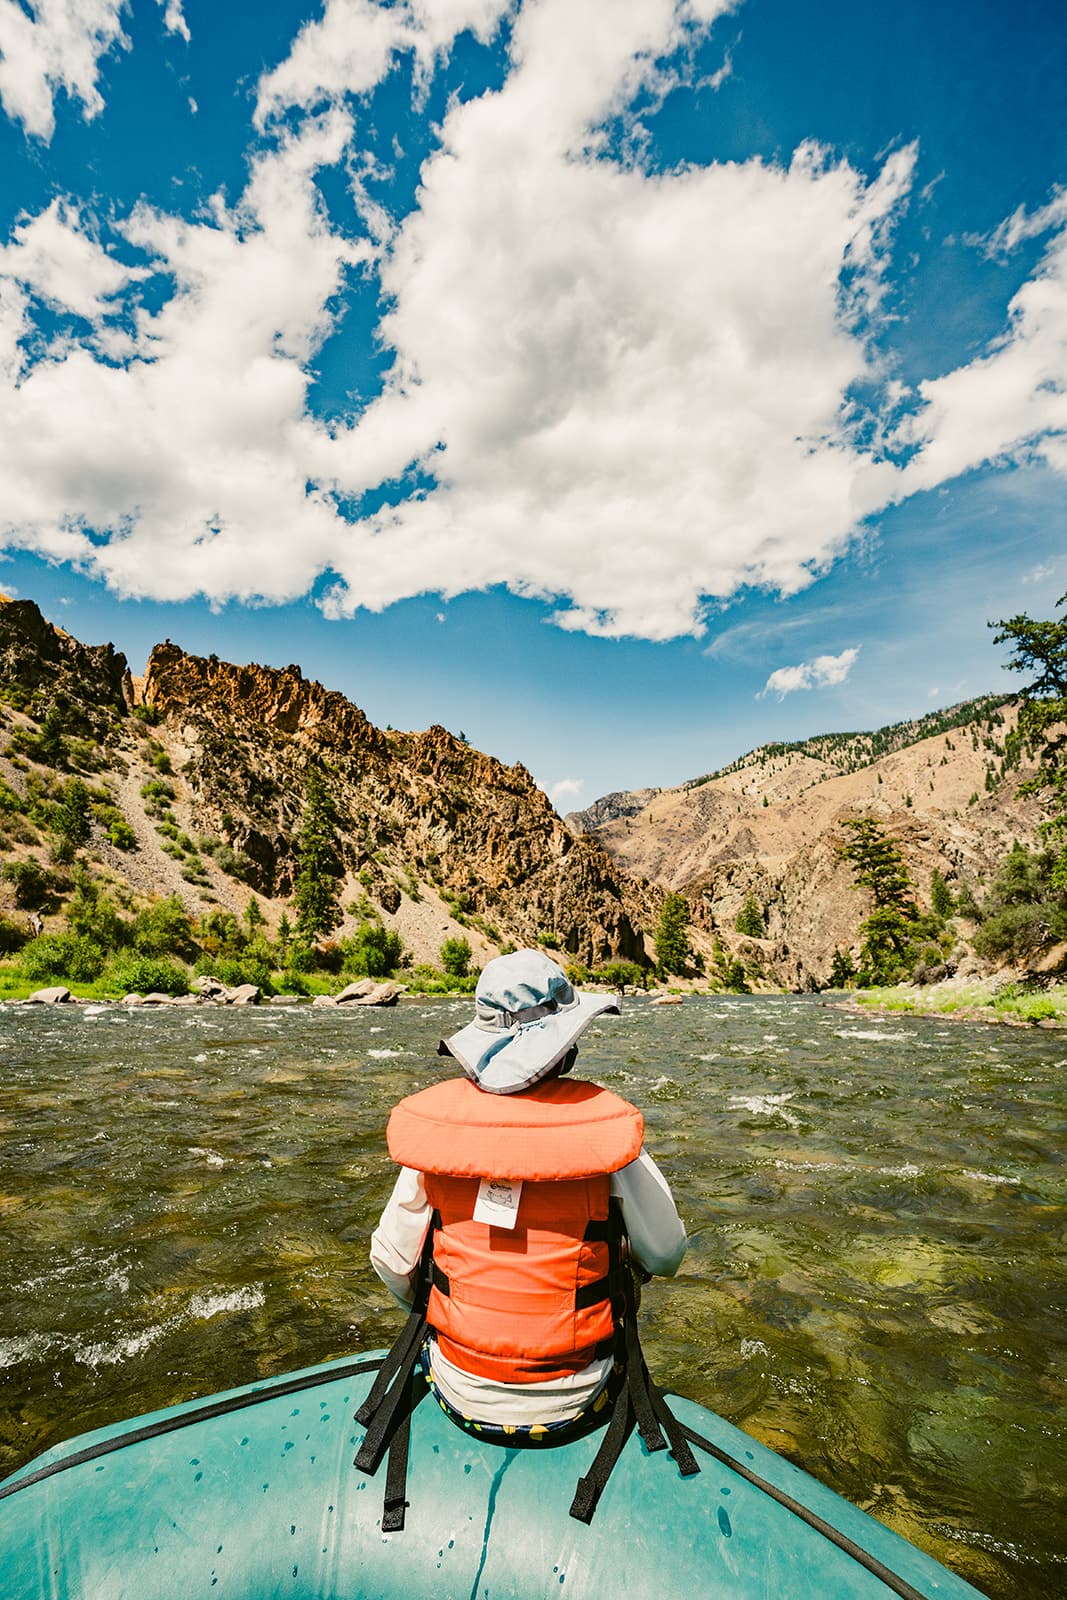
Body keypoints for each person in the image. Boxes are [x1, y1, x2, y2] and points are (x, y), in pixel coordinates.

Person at [369, 948, 686, 1439]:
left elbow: (391, 1261)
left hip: (456, 1385)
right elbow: (666, 1255)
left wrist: (460, 1310)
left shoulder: (439, 1138)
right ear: (566, 1048)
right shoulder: (604, 1137)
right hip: (580, 1394)